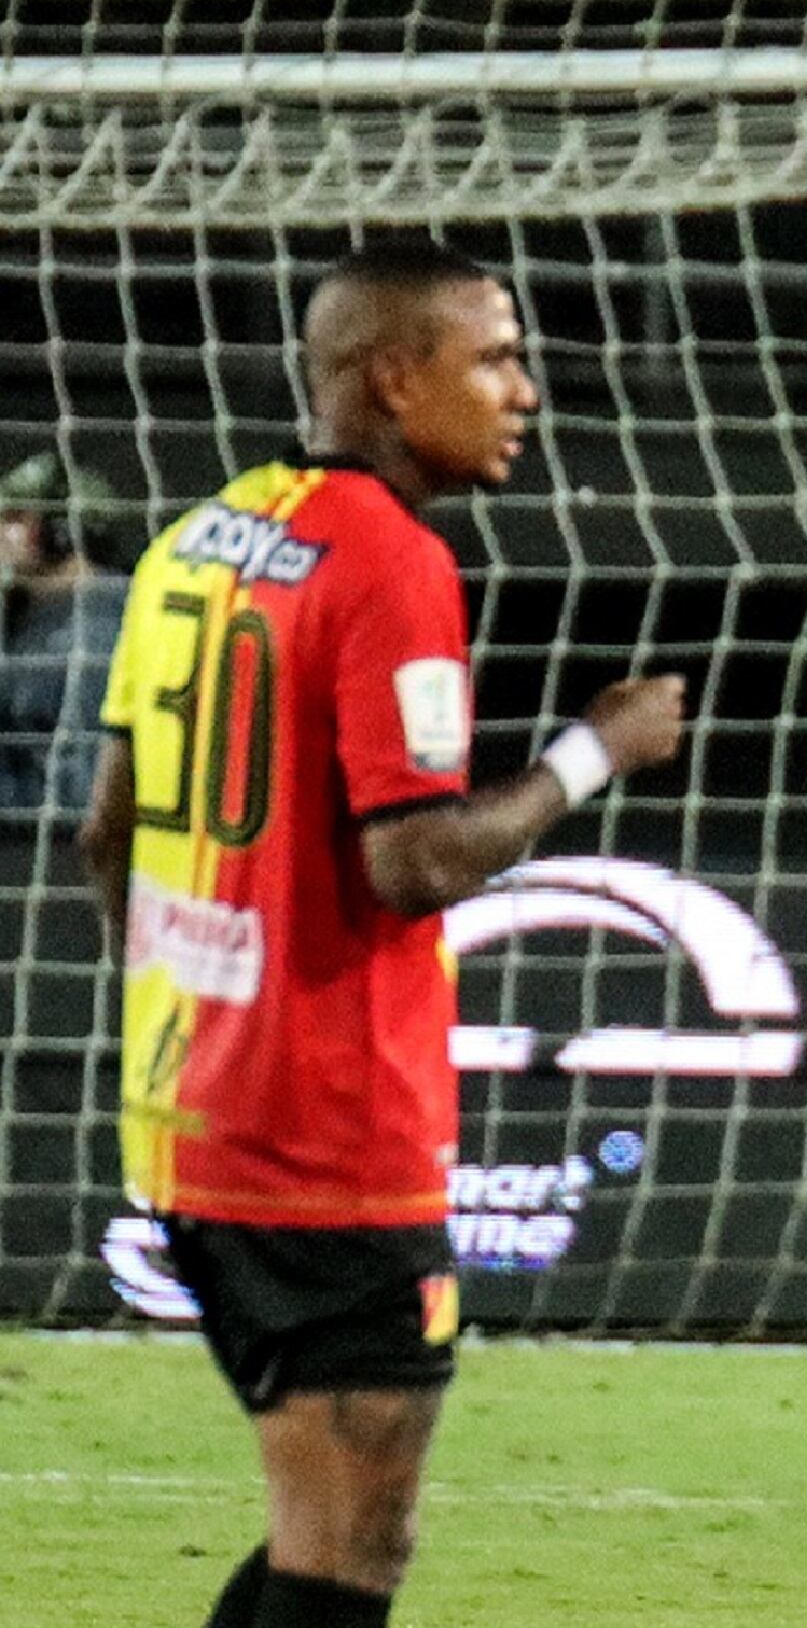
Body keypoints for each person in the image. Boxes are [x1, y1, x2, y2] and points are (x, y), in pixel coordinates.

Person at [78, 238, 686, 1628]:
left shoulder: (193, 544)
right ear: (397, 378)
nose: (525, 391)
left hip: (190, 1120)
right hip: (328, 1142)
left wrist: (211, 1017)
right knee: (350, 1545)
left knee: (342, 1537)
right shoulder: (390, 565)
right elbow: (413, 863)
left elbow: (105, 837)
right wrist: (592, 754)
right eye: (496, 357)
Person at [0, 452, 126, 812]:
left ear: (60, 531)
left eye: (12, 518)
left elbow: (84, 794)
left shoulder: (95, 632)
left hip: (49, 856)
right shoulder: (40, 617)